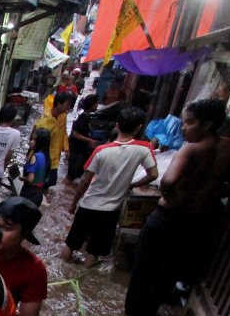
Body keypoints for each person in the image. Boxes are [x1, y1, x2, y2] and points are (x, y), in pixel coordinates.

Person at [125, 99, 227, 316]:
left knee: (145, 269)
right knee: (168, 270)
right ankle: (151, 312)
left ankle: (133, 314)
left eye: (189, 123)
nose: (183, 128)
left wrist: (171, 197)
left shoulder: (191, 150)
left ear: (207, 125)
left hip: (169, 216)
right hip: (198, 221)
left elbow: (168, 181)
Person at [62, 106, 159, 267]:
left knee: (71, 244)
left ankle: (62, 270)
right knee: (93, 251)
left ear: (117, 125)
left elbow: (85, 181)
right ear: (139, 127)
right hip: (110, 211)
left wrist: (73, 205)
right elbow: (153, 175)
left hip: (88, 205)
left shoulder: (101, 150)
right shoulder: (144, 149)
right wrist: (131, 184)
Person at [34, 91, 76, 195]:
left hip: (55, 157)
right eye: (67, 104)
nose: (69, 106)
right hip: (44, 158)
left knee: (49, 182)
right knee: (39, 183)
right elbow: (36, 138)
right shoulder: (45, 121)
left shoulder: (63, 116)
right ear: (58, 104)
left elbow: (64, 132)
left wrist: (66, 148)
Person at [65, 94, 101, 185]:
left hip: (79, 149)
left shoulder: (86, 116)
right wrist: (90, 141)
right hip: (76, 149)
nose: (97, 105)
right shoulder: (83, 118)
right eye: (96, 103)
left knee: (74, 173)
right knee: (71, 175)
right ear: (92, 104)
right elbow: (75, 134)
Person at [21, 128, 51, 207]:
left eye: (35, 140)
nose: (31, 142)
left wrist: (23, 178)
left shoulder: (35, 157)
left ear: (41, 142)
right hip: (38, 195)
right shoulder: (46, 156)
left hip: (29, 193)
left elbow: (31, 179)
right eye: (31, 139)